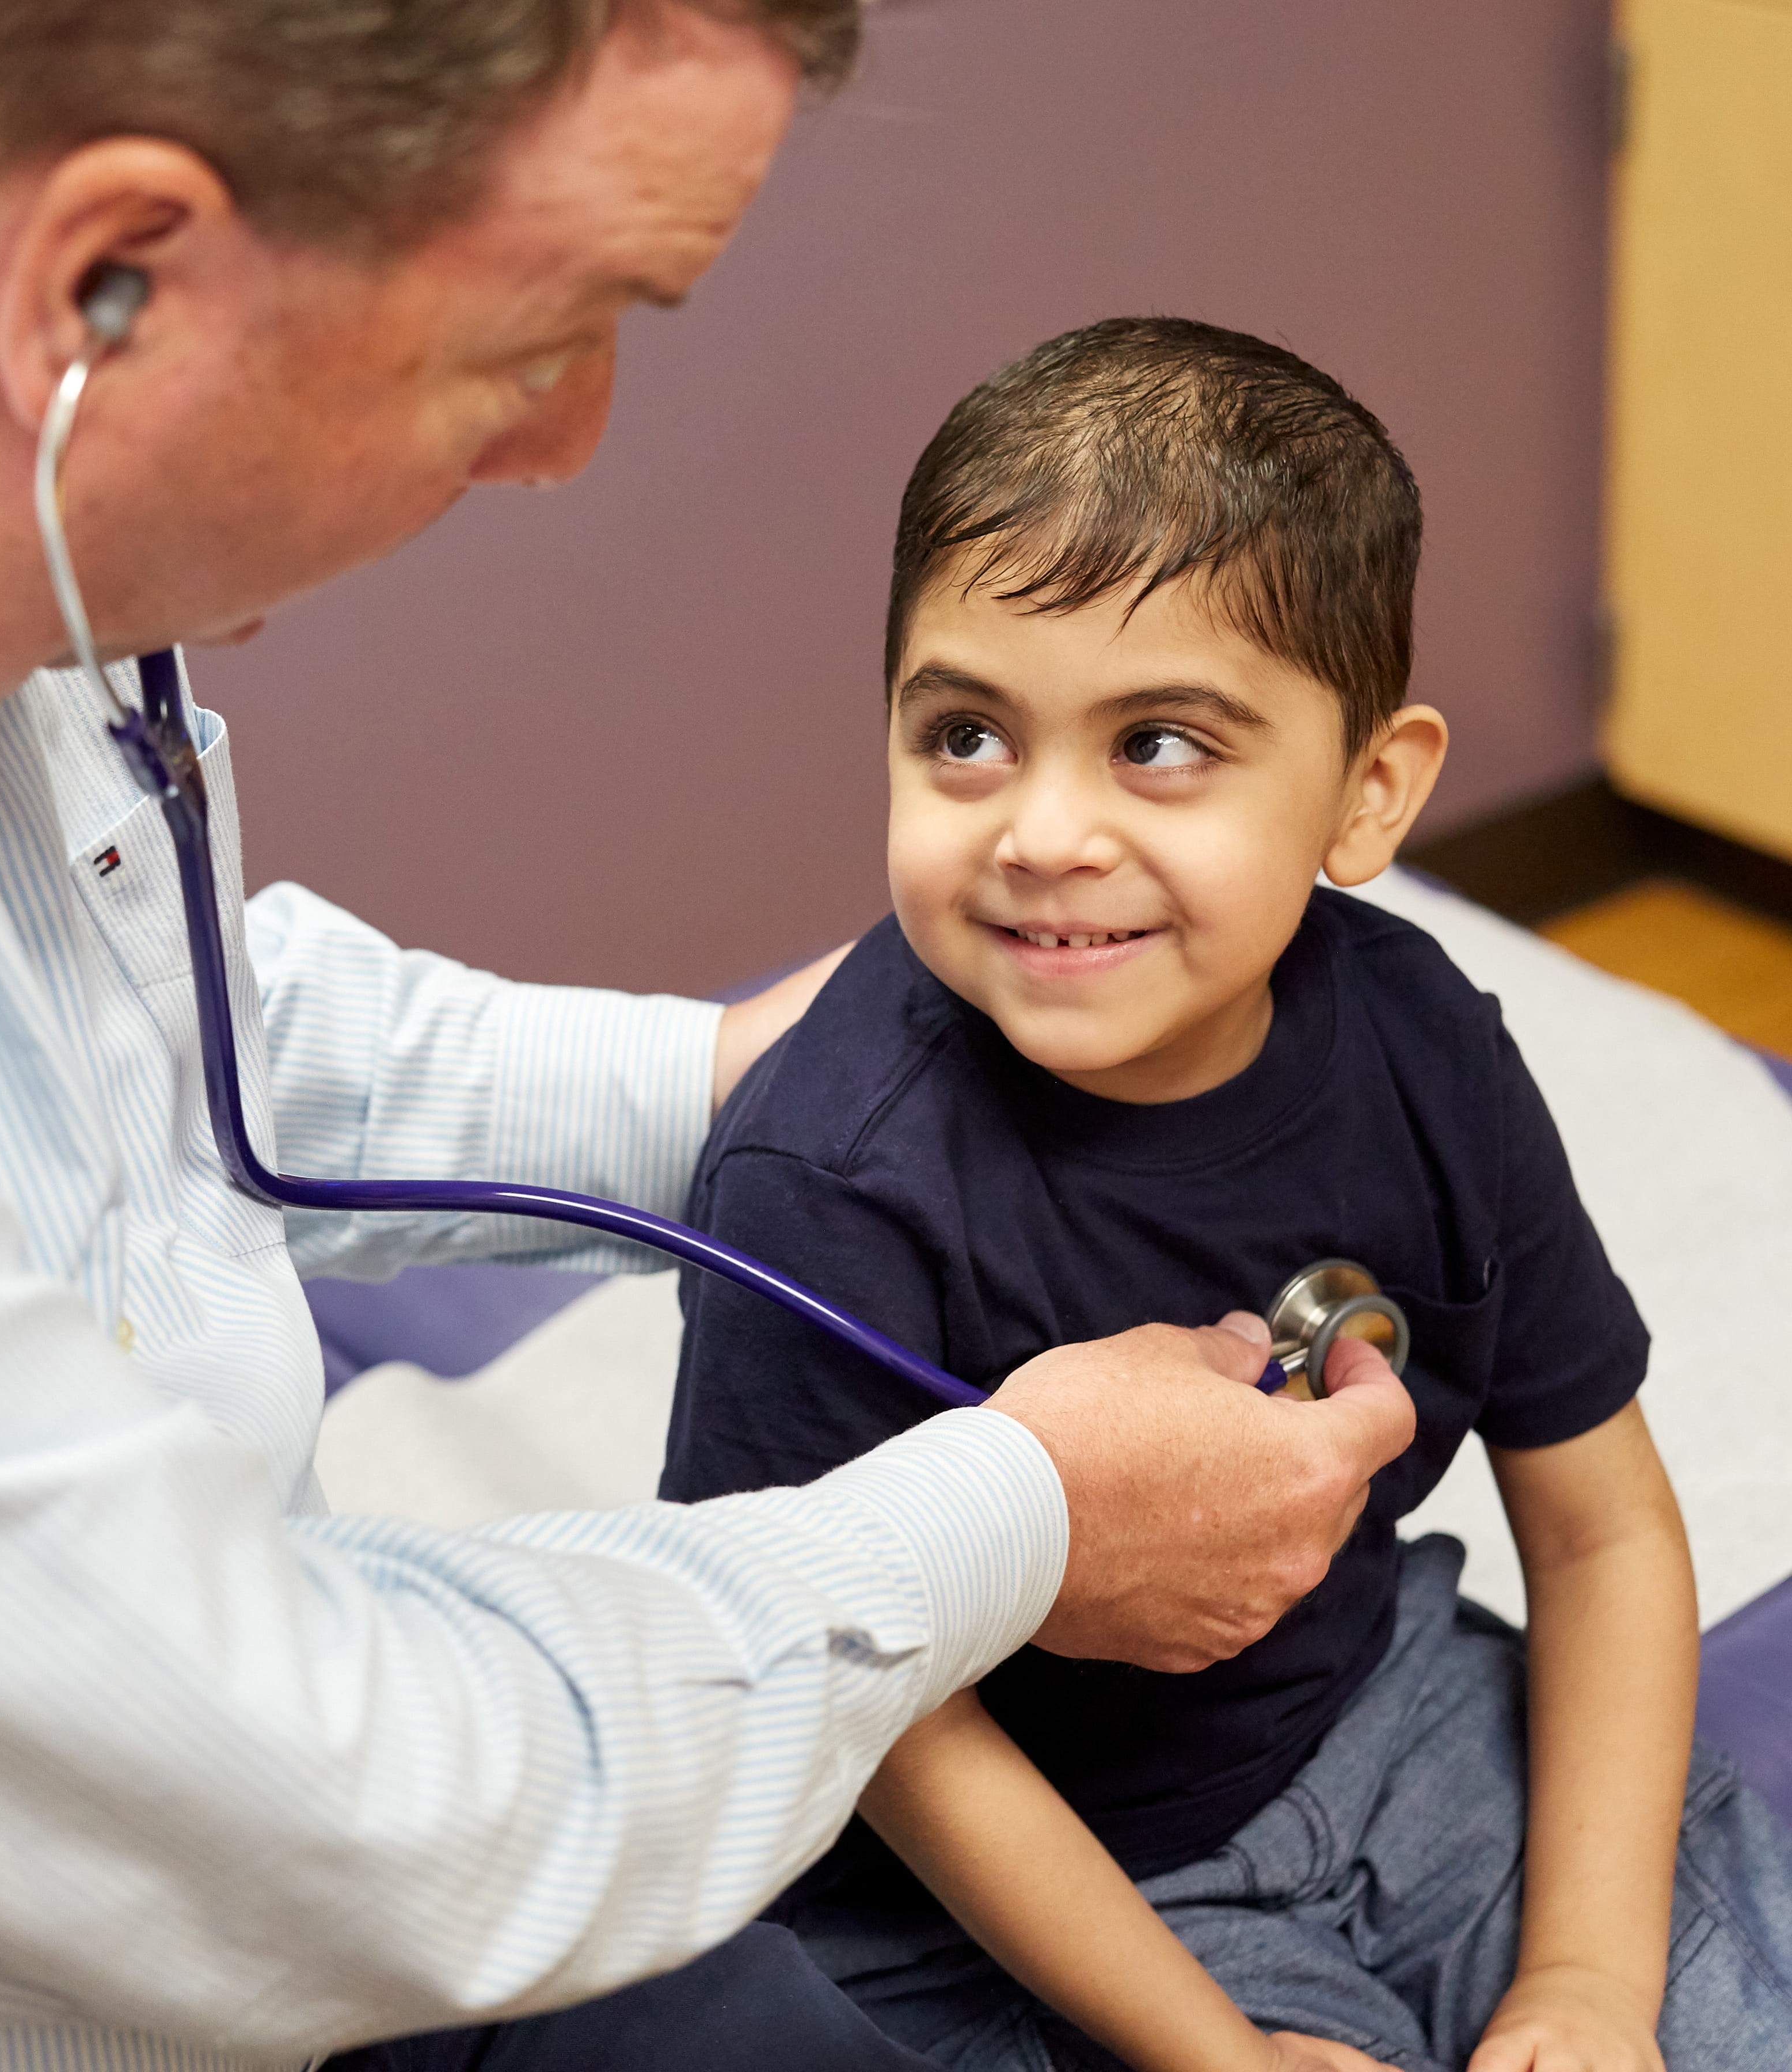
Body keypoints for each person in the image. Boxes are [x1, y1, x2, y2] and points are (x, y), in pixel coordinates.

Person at [0, 9, 1421, 2071]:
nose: (570, 441)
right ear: (112, 280)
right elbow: (329, 1821)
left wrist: (740, 1093)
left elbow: (157, 1041)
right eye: (552, 334)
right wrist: (1026, 1517)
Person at [661, 317, 1792, 2071]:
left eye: (1160, 745)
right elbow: (884, 1724)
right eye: (966, 735)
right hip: (1011, 1889)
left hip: (1394, 1722)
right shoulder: (830, 1186)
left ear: (1370, 793)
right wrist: (1224, 2053)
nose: (1041, 831)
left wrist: (1585, 1980)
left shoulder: (1422, 1041)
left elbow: (1605, 1529)